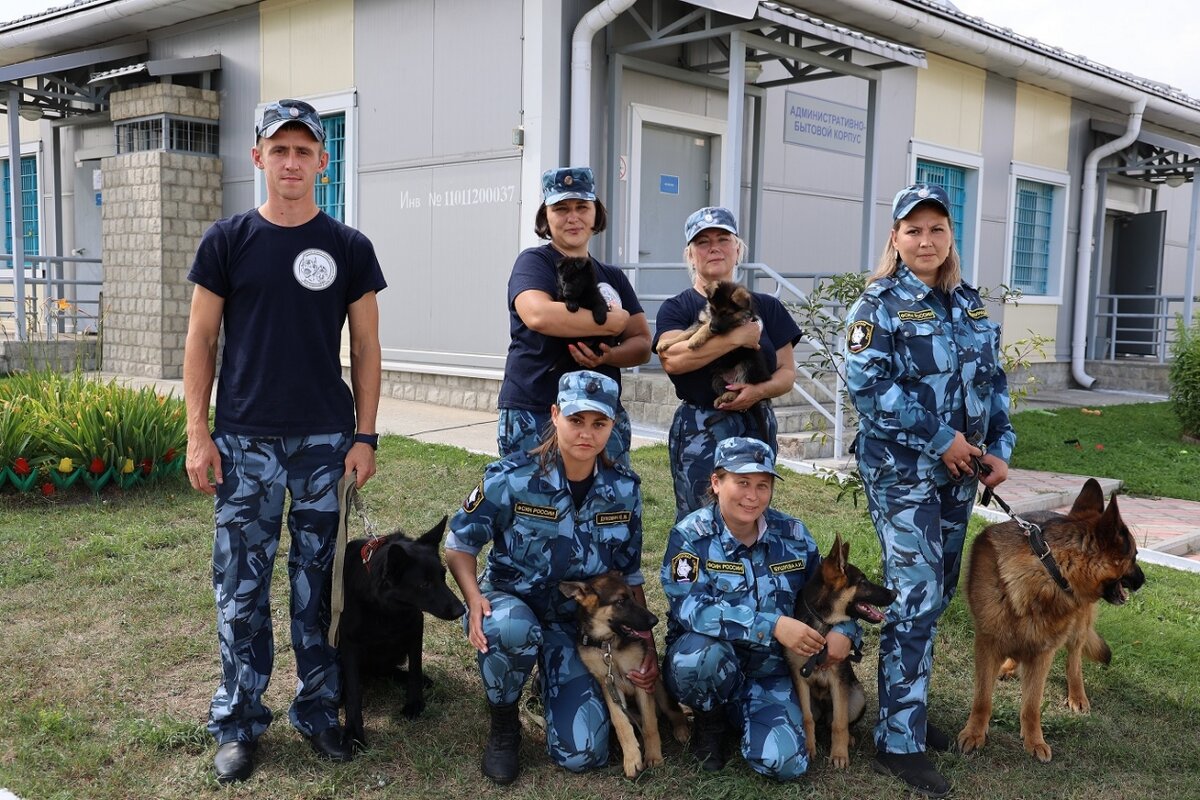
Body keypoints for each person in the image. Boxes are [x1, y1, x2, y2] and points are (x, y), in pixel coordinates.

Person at [183, 98, 387, 784]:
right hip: (243, 444)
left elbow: (366, 346)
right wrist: (198, 433)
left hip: (325, 446)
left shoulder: (349, 248)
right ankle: (239, 721)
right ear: (258, 158)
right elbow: (201, 340)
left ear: (323, 162)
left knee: (319, 589)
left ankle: (319, 710)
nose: (292, 162)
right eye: (280, 150)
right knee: (241, 591)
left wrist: (364, 434)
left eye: (305, 150)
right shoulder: (227, 240)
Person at [845, 183, 1014, 798]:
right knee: (915, 591)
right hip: (902, 473)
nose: (925, 240)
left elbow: (994, 382)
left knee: (936, 593)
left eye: (936, 229)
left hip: (958, 476)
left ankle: (905, 708)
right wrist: (942, 436)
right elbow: (870, 390)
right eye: (912, 230)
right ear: (894, 238)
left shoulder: (968, 304)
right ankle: (897, 741)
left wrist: (1001, 448)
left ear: (950, 237)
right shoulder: (878, 306)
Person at [445, 370, 655, 785]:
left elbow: (629, 574)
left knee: (584, 755)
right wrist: (473, 601)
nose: (586, 434)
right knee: (509, 629)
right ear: (555, 414)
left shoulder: (623, 490)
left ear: (612, 425)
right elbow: (459, 544)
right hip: (513, 604)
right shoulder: (511, 477)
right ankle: (504, 726)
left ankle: (551, 685)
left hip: (574, 627)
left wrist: (644, 644)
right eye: (576, 421)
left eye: (599, 424)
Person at [660, 437, 860, 780]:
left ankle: (747, 716)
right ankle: (711, 724)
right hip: (713, 660)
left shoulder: (793, 534)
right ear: (716, 482)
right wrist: (773, 625)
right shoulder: (691, 536)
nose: (752, 496)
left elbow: (826, 593)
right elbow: (691, 607)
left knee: (784, 764)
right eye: (742, 483)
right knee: (699, 657)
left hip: (774, 670)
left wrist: (845, 631)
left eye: (762, 485)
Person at [654, 207, 801, 521]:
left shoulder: (767, 306)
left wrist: (758, 391)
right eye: (703, 242)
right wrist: (737, 338)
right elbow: (673, 361)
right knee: (698, 520)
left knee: (752, 514)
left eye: (723, 239)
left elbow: (787, 374)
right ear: (690, 255)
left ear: (737, 249)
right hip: (702, 426)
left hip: (756, 420)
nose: (714, 247)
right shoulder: (677, 308)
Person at [497, 167, 651, 464]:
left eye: (582, 207)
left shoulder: (612, 276)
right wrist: (610, 321)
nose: (573, 217)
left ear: (596, 214)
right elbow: (539, 315)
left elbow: (643, 343)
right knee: (535, 506)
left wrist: (607, 357)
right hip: (536, 409)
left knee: (605, 506)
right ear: (546, 216)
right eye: (561, 208)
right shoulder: (534, 263)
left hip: (601, 413)